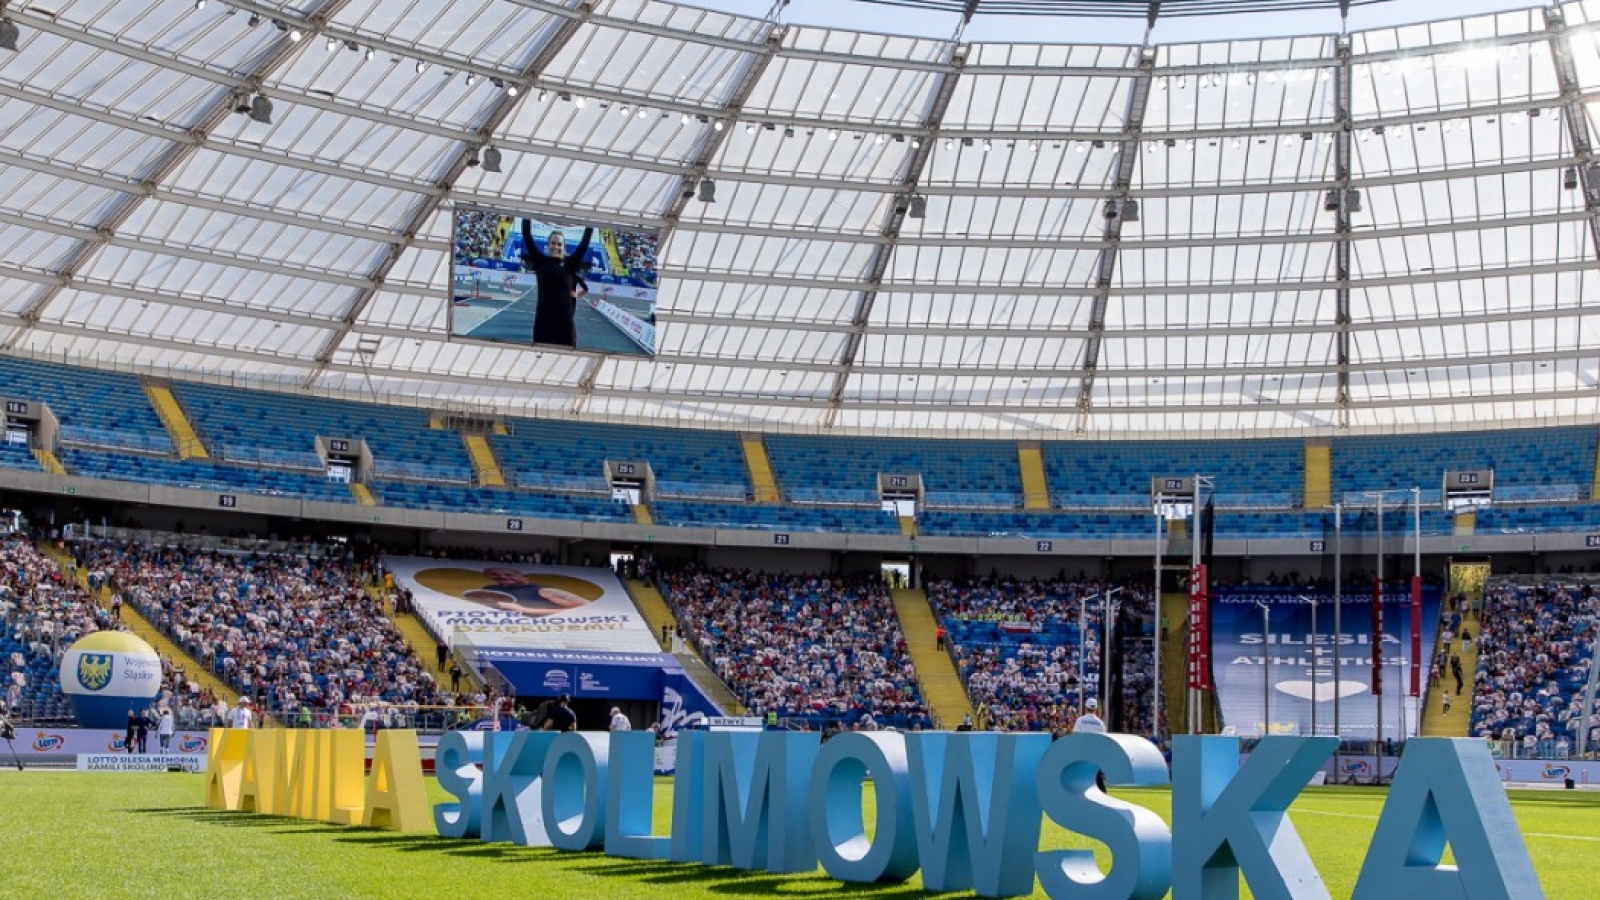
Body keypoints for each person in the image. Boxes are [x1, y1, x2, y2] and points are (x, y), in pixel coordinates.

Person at [520, 222, 594, 348]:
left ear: (564, 247)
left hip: (565, 325)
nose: (556, 247)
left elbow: (584, 244)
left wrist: (590, 222)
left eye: (559, 244)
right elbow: (527, 236)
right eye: (553, 243)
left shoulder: (571, 264)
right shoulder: (540, 262)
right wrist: (528, 212)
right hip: (543, 323)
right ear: (547, 245)